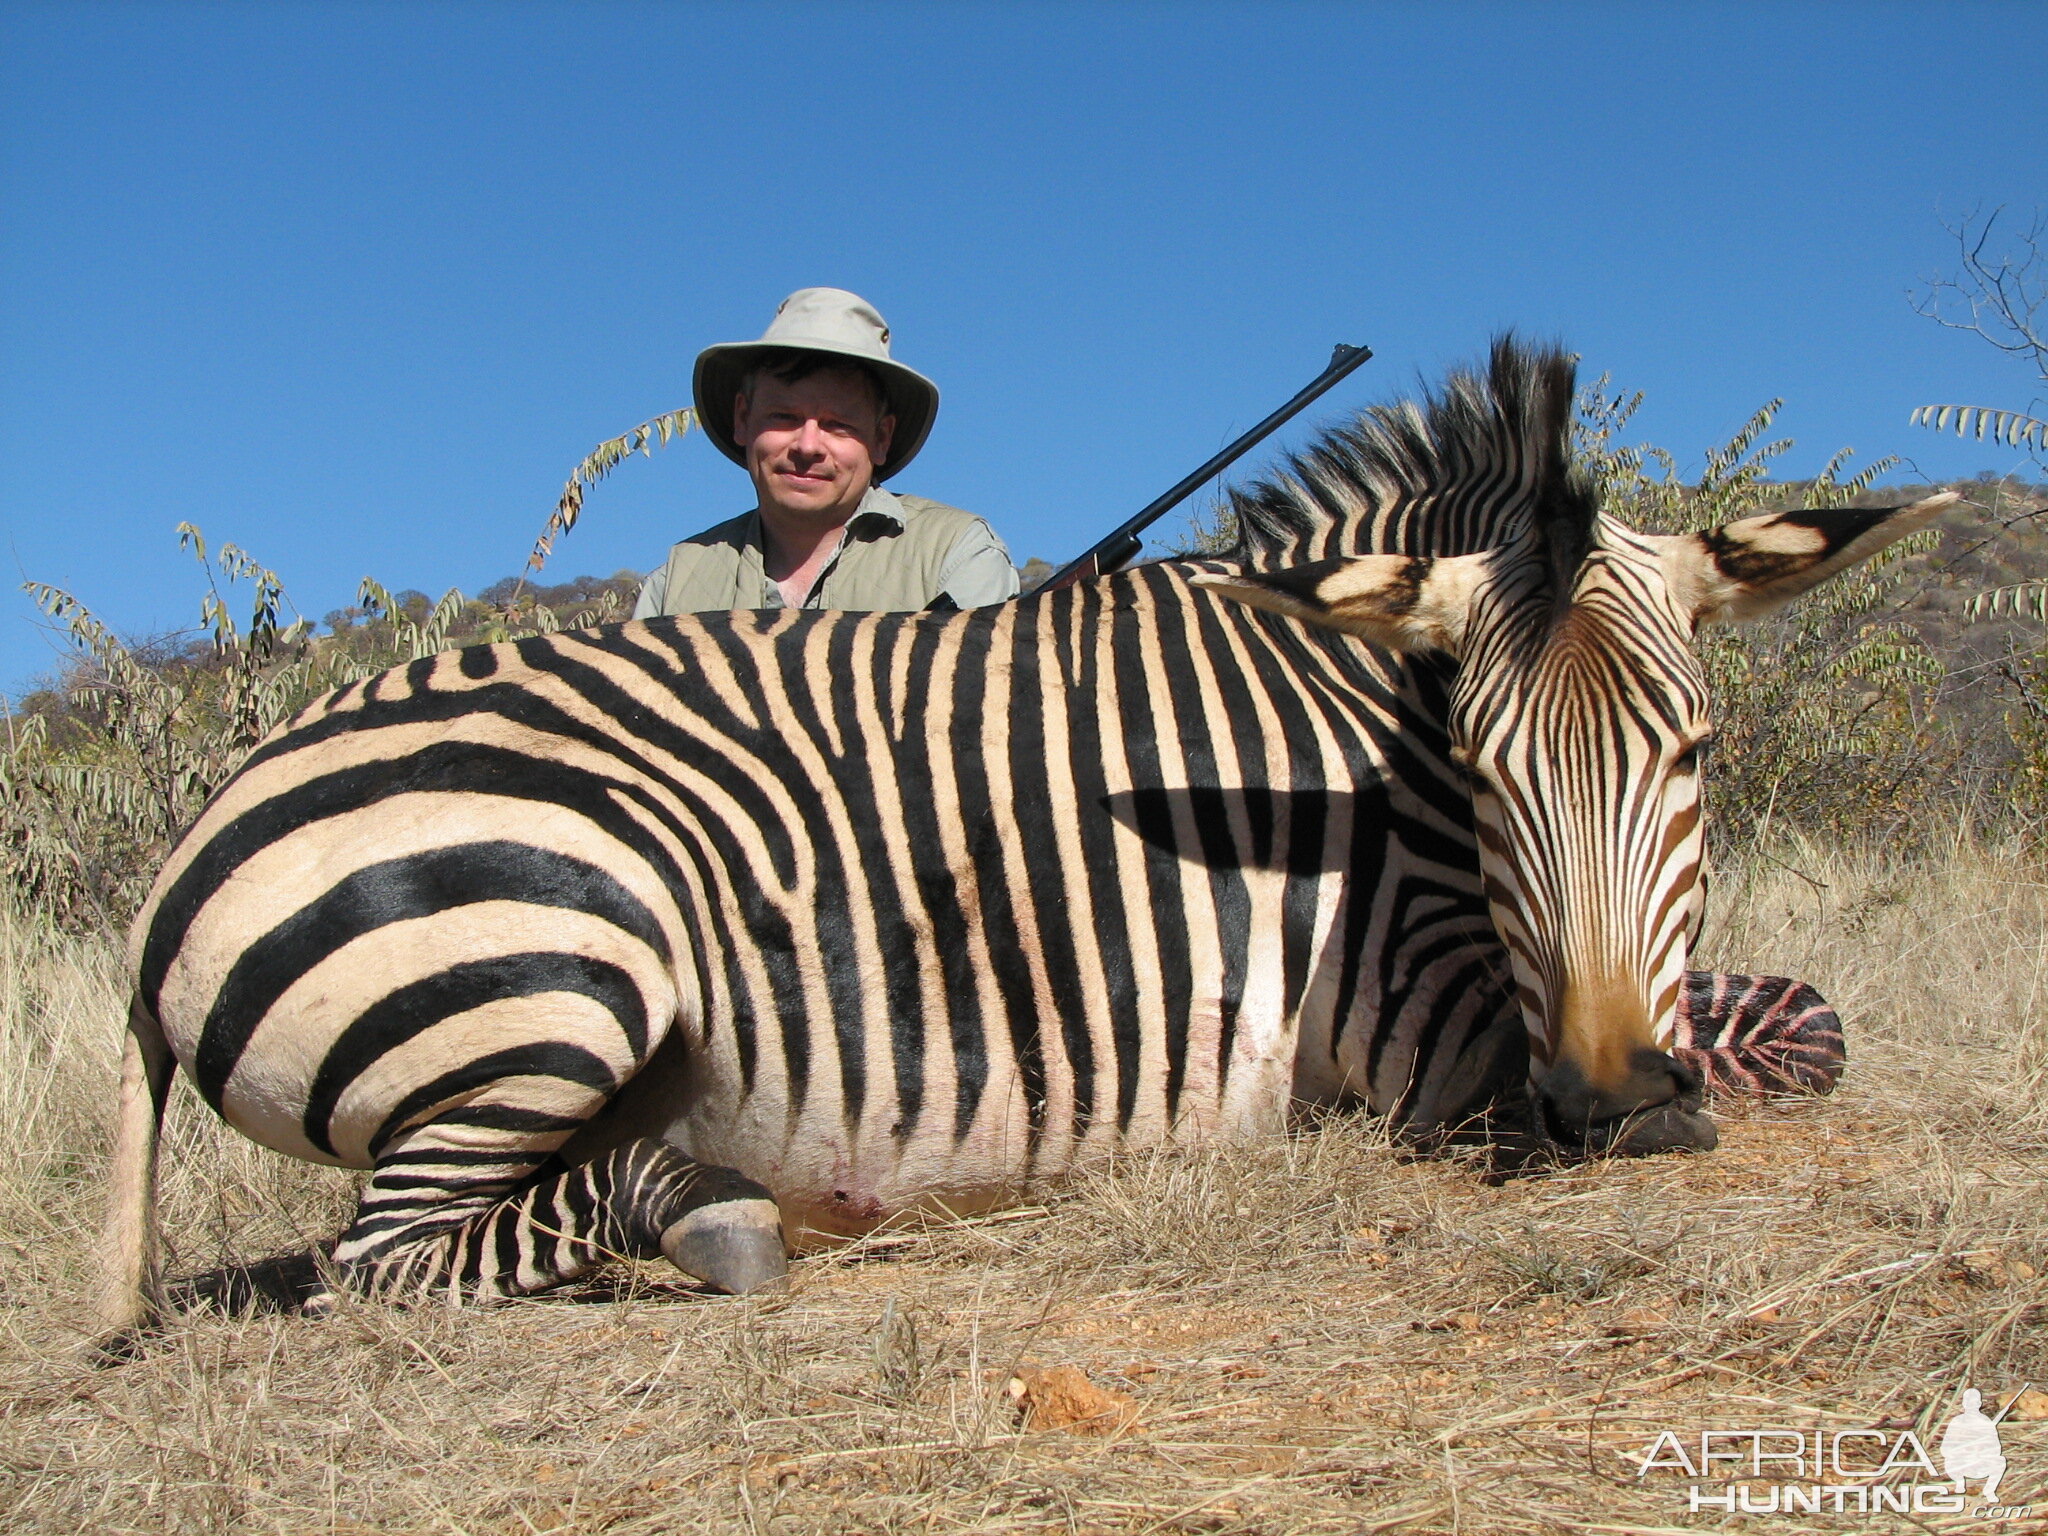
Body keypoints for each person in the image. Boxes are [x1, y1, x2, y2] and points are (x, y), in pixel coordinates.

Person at [634, 288, 1018, 617]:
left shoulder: (955, 554)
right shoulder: (675, 586)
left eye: (838, 425)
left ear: (881, 438)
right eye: (783, 417)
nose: (807, 446)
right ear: (742, 419)